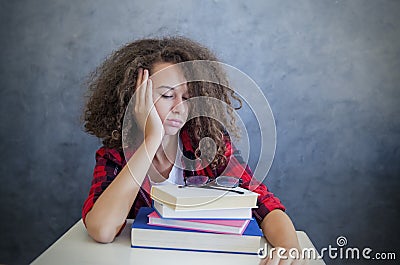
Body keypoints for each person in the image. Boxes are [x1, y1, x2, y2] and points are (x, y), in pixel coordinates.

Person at [82, 36, 304, 264]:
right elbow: (102, 230)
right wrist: (151, 139)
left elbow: (264, 205)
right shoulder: (115, 156)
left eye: (187, 98)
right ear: (136, 97)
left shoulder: (210, 147)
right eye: (167, 95)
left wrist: (289, 248)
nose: (179, 107)